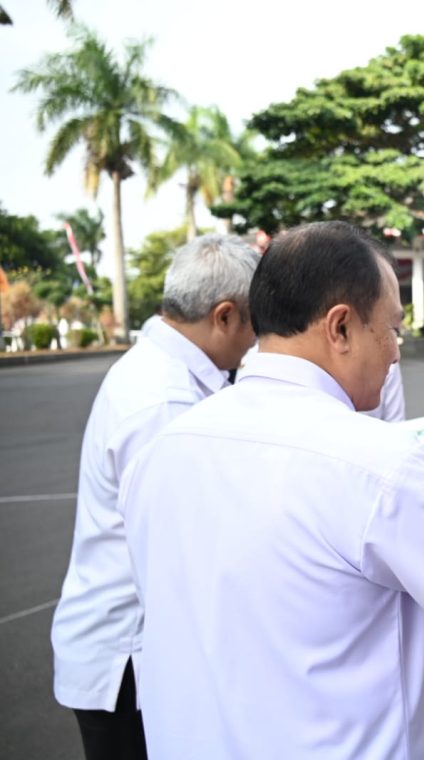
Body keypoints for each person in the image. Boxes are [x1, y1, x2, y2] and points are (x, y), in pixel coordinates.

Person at [118, 221, 424, 760]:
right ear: (340, 327)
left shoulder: (162, 451)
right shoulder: (379, 465)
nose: (395, 353)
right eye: (392, 329)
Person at [50, 234, 262, 760]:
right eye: (256, 322)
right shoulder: (164, 403)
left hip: (139, 650)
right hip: (128, 662)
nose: (260, 338)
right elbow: (183, 555)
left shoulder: (171, 377)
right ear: (225, 316)